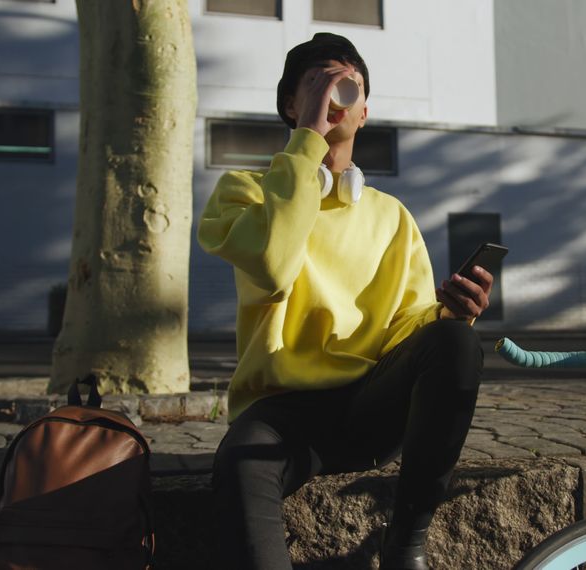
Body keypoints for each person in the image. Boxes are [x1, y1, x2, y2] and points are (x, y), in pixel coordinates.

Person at [197, 33, 494, 570]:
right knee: (239, 461)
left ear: (364, 113)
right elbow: (272, 263)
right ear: (291, 105)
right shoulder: (246, 192)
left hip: (372, 404)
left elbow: (409, 327)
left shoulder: (391, 216)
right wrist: (308, 140)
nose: (335, 95)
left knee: (455, 339)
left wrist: (452, 313)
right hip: (282, 412)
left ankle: (406, 546)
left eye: (347, 86)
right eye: (317, 83)